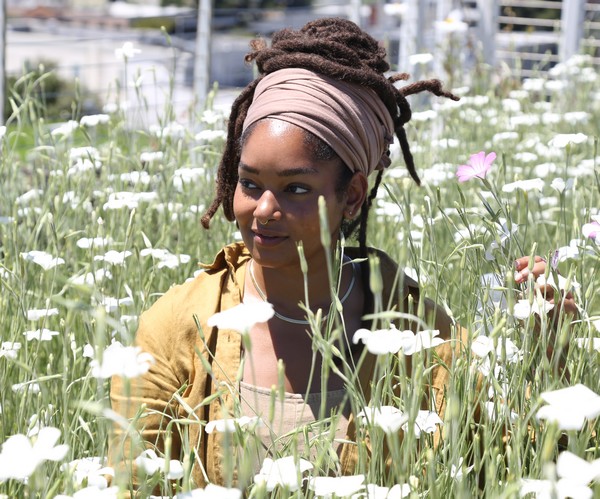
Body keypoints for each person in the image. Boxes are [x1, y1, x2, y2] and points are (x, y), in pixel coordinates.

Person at [109, 17, 575, 494]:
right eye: (249, 184)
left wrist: (550, 351)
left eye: (295, 188)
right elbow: (130, 484)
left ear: (352, 195)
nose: (262, 210)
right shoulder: (178, 327)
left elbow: (512, 467)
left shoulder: (419, 337)